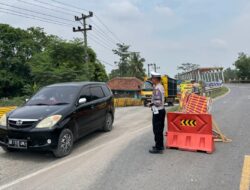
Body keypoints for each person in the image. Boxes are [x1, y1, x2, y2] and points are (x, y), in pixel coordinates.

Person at [148, 71, 166, 154]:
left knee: (157, 129)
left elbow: (158, 102)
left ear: (155, 79)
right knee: (159, 129)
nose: (151, 80)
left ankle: (158, 148)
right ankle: (160, 145)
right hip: (161, 110)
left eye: (152, 78)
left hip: (158, 111)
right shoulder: (160, 86)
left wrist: (151, 103)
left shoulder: (157, 88)